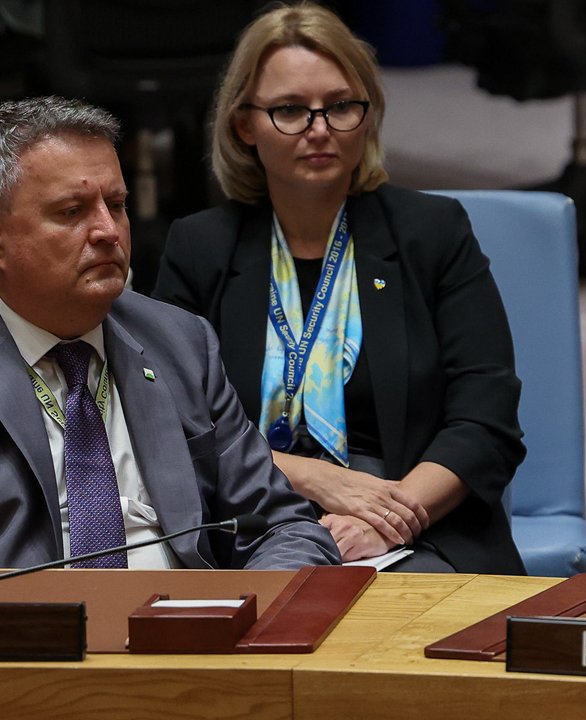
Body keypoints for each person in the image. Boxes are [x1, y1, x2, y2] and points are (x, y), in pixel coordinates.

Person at [152, 4, 525, 573]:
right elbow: (172, 425)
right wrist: (314, 479)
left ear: (368, 115)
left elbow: (485, 422)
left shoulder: (433, 232)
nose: (320, 129)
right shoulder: (200, 247)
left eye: (341, 106)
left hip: (414, 519)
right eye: (290, 110)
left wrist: (386, 521)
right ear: (244, 125)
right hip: (250, 518)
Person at [0, 95, 338, 569]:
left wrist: (249, 608)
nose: (108, 231)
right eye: (72, 211)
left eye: (116, 205)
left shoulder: (179, 342)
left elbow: (281, 526)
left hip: (189, 610)